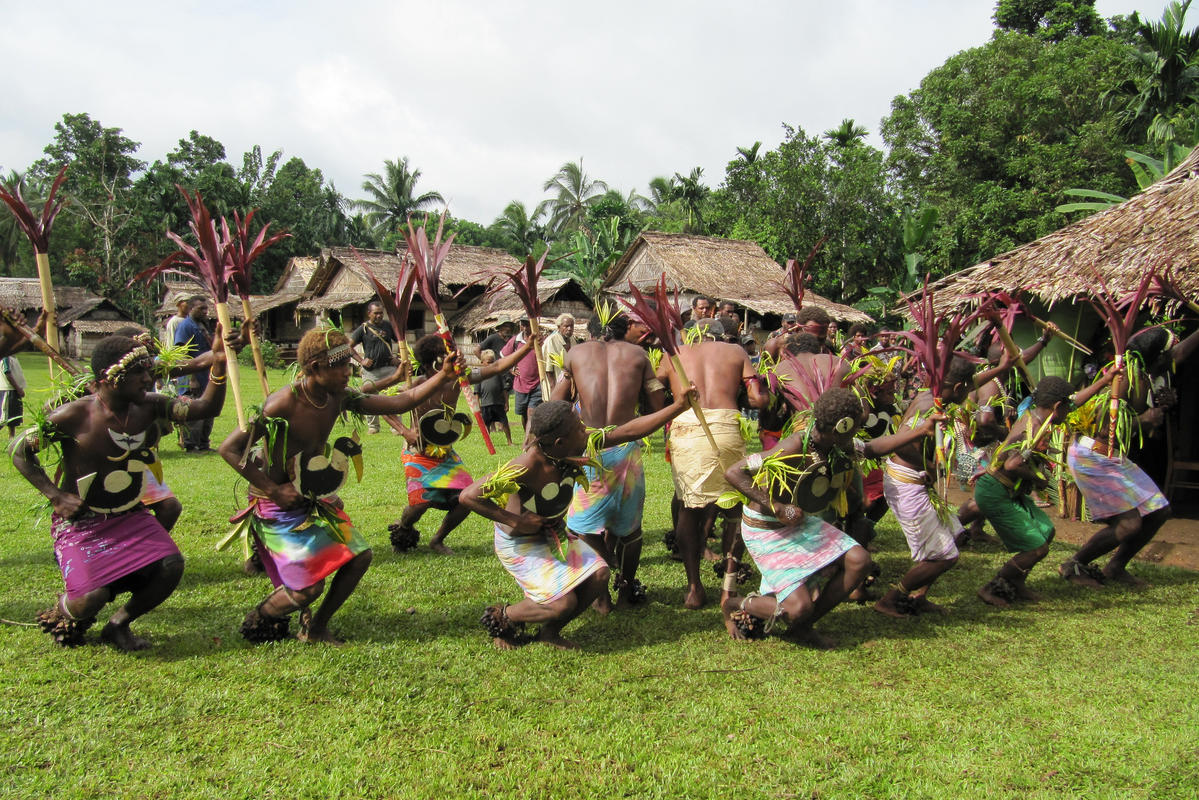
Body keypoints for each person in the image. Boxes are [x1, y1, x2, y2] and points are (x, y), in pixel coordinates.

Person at [218, 327, 459, 645]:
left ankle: (317, 627)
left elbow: (401, 402)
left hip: (311, 497)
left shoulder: (339, 397)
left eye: (349, 364)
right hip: (274, 502)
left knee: (359, 557)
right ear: (316, 368)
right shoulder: (281, 404)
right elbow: (229, 449)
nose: (349, 372)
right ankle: (261, 618)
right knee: (308, 588)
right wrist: (274, 490)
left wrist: (443, 376)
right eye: (341, 365)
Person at [13, 333, 228, 650]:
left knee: (171, 565)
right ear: (109, 379)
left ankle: (118, 624)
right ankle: (67, 607)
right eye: (139, 372)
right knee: (90, 600)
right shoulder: (74, 416)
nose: (148, 377)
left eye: (148, 369)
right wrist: (56, 496)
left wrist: (219, 365)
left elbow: (204, 408)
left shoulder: (151, 407)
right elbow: (19, 450)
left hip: (130, 515)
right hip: (81, 524)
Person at [461, 392, 694, 650]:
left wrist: (678, 406)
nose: (586, 431)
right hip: (519, 544)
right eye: (580, 428)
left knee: (600, 574)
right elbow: (469, 496)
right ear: (560, 442)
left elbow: (628, 431)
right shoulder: (526, 466)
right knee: (563, 602)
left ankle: (549, 633)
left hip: (551, 533)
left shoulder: (578, 444)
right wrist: (514, 521)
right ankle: (505, 615)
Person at [722, 388, 943, 647]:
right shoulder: (794, 446)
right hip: (766, 529)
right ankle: (735, 604)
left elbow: (871, 449)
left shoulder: (837, 444)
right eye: (854, 427)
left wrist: (921, 430)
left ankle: (802, 628)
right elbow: (735, 472)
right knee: (796, 608)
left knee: (859, 560)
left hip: (799, 523)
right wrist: (778, 508)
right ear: (841, 426)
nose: (857, 433)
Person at [552, 314, 666, 610]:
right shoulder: (638, 355)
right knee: (630, 529)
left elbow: (556, 402)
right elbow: (657, 406)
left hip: (587, 447)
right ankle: (626, 590)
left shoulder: (575, 353)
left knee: (582, 527)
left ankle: (600, 596)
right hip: (625, 446)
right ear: (623, 328)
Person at [390, 332, 534, 554]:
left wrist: (527, 347)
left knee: (466, 498)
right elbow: (384, 406)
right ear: (436, 362)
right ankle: (404, 529)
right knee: (421, 502)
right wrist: (405, 431)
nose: (455, 358)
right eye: (447, 355)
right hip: (417, 452)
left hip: (445, 453)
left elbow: (496, 368)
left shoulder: (459, 379)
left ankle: (437, 540)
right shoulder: (417, 384)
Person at [974, 375, 1112, 606]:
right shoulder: (1033, 427)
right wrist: (1038, 479)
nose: (1070, 412)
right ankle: (992, 587)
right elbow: (1012, 465)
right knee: (1037, 548)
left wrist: (1105, 380)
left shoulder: (1037, 414)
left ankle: (1017, 583)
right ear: (1057, 406)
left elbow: (1075, 400)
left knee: (1045, 531)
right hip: (995, 490)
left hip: (1008, 490)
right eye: (1067, 409)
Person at [665, 318, 768, 609]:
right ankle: (728, 587)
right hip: (726, 428)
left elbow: (656, 387)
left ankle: (694, 587)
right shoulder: (736, 353)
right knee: (735, 504)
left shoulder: (674, 353)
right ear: (722, 336)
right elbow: (757, 399)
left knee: (689, 506)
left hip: (686, 427)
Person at [873, 357, 978, 619]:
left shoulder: (933, 397)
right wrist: (930, 467)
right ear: (959, 387)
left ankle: (918, 596)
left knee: (954, 536)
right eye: (969, 387)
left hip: (916, 479)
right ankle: (891, 598)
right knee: (945, 556)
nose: (970, 392)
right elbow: (901, 443)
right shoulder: (929, 404)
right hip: (907, 482)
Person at [349, 301, 398, 435]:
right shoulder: (363, 329)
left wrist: (397, 358)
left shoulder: (388, 326)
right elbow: (349, 347)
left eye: (381, 313)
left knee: (393, 398)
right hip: (371, 372)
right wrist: (361, 361)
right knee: (369, 399)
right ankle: (373, 427)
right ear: (369, 313)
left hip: (389, 369)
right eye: (376, 313)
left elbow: (401, 340)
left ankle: (396, 426)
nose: (379, 316)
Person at [173, 296, 215, 452]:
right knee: (193, 410)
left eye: (206, 308)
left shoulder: (203, 325)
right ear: (191, 309)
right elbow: (182, 353)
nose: (205, 311)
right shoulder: (186, 326)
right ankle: (190, 443)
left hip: (207, 375)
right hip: (193, 376)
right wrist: (192, 377)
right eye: (201, 309)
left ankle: (204, 443)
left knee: (208, 409)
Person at [501, 318, 543, 433]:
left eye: (527, 325)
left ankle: (531, 438)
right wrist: (511, 368)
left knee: (532, 413)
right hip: (520, 384)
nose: (524, 328)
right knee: (523, 413)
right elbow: (504, 356)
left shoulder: (540, 340)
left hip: (537, 384)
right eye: (522, 325)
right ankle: (527, 435)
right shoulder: (516, 341)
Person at [477, 349, 514, 446]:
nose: (490, 365)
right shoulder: (480, 376)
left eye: (492, 362)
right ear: (482, 363)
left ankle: (509, 441)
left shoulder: (498, 374)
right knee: (486, 425)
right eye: (488, 363)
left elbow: (504, 390)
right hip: (486, 404)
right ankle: (488, 443)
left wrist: (506, 403)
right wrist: (478, 405)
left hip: (498, 404)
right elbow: (476, 393)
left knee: (505, 423)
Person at [542, 314, 576, 386]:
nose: (569, 329)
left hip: (569, 383)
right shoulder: (551, 341)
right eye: (566, 326)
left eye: (571, 326)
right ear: (559, 327)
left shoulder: (572, 340)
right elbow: (548, 369)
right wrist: (553, 388)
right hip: (555, 383)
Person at [0, 353, 26, 437]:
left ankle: (12, 439)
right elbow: (7, 373)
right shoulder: (6, 357)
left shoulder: (13, 357)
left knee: (13, 419)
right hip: (8, 390)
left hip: (14, 390)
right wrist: (18, 388)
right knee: (4, 418)